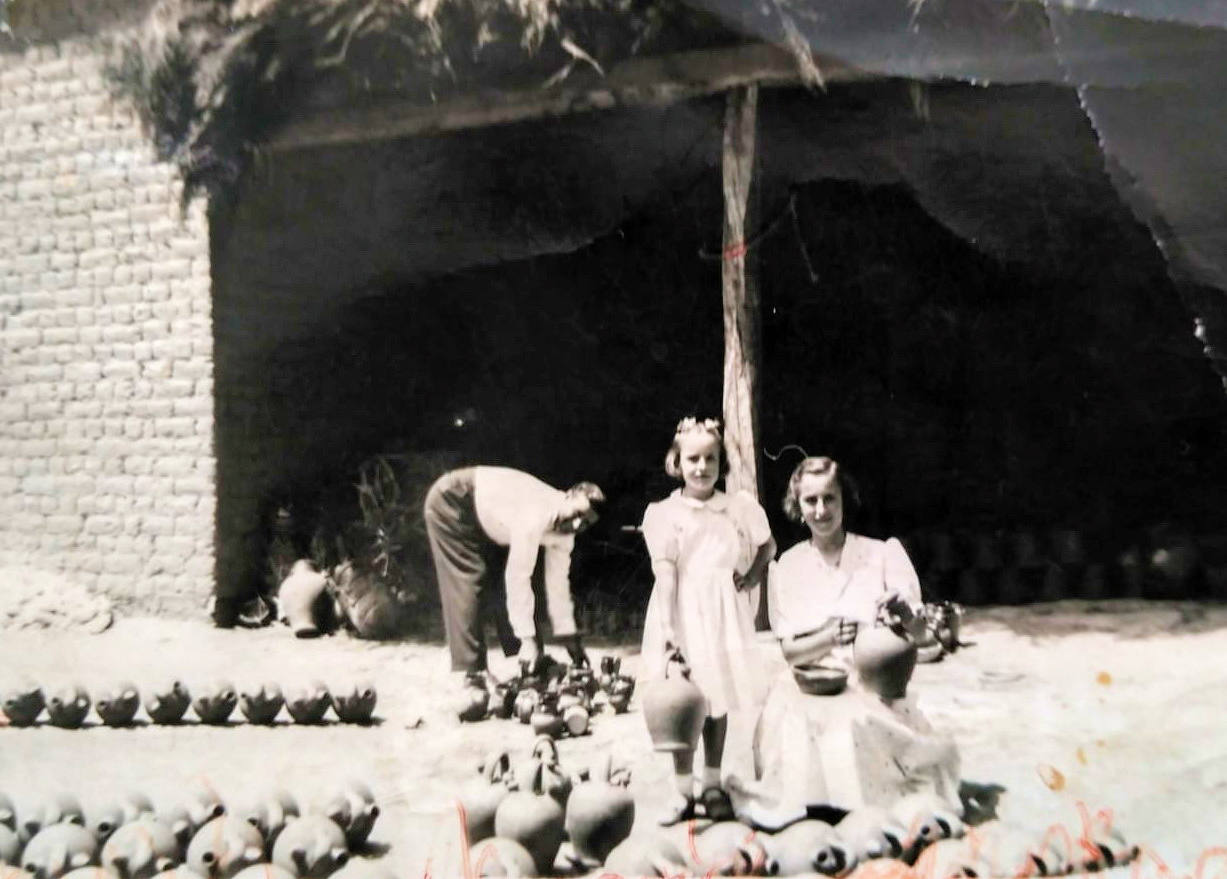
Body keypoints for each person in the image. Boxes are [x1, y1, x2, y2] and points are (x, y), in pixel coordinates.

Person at [731, 455, 958, 828]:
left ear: (843, 499)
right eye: (810, 501)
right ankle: (819, 803)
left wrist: (903, 613)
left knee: (860, 725)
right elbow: (791, 652)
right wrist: (827, 638)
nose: (821, 510)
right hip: (811, 684)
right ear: (797, 507)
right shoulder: (787, 566)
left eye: (829, 498)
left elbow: (926, 642)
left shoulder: (881, 554)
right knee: (793, 719)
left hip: (870, 683)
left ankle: (857, 805)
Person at [638, 417, 776, 825]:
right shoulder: (665, 514)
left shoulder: (738, 507)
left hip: (724, 611)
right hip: (681, 610)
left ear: (722, 463)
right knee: (683, 700)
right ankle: (683, 788)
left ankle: (713, 782)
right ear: (676, 462)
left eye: (710, 459)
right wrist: (668, 630)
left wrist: (750, 576)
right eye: (692, 459)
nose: (702, 467)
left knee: (718, 697)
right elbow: (666, 574)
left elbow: (768, 545)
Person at [423, 466, 604, 677]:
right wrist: (527, 638)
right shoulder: (535, 512)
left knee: (522, 584)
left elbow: (558, 587)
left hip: (486, 520)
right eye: (577, 513)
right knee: (471, 579)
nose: (576, 524)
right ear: (567, 496)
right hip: (452, 498)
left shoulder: (565, 534)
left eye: (585, 522)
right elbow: (518, 577)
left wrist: (568, 637)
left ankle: (529, 659)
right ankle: (472, 674)